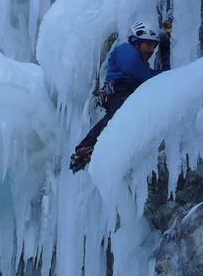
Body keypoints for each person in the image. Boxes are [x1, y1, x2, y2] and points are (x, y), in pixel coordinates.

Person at [70, 20, 170, 172]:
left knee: (122, 119)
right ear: (136, 41)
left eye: (154, 46)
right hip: (118, 90)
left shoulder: (142, 63)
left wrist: (165, 51)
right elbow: (135, 68)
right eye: (149, 44)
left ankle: (99, 146)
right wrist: (157, 75)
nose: (152, 49)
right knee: (117, 116)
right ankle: (85, 146)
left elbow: (159, 75)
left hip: (125, 92)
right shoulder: (126, 50)